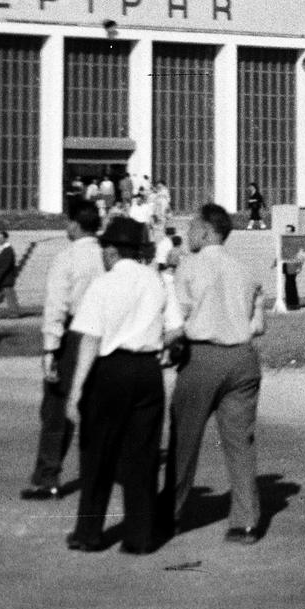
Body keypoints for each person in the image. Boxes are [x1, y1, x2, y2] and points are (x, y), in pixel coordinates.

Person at [64, 218, 183, 554]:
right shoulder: (158, 281)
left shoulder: (103, 285)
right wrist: (161, 348)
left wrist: (75, 393)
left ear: (113, 251)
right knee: (143, 455)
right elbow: (176, 329)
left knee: (98, 453)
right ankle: (139, 538)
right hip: (147, 372)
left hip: (109, 371)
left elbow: (89, 340)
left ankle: (88, 533)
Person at [165, 203, 267, 545]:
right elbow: (258, 325)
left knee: (185, 440)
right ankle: (246, 521)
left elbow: (175, 324)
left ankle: (171, 515)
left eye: (193, 227)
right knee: (239, 442)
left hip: (202, 358)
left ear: (207, 231)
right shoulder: (245, 269)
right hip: (242, 359)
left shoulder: (189, 267)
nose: (188, 233)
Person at [22, 204, 105, 501]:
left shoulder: (66, 258)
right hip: (107, 337)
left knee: (57, 409)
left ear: (74, 225)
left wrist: (50, 348)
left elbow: (56, 306)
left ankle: (47, 478)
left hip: (75, 335)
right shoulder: (107, 256)